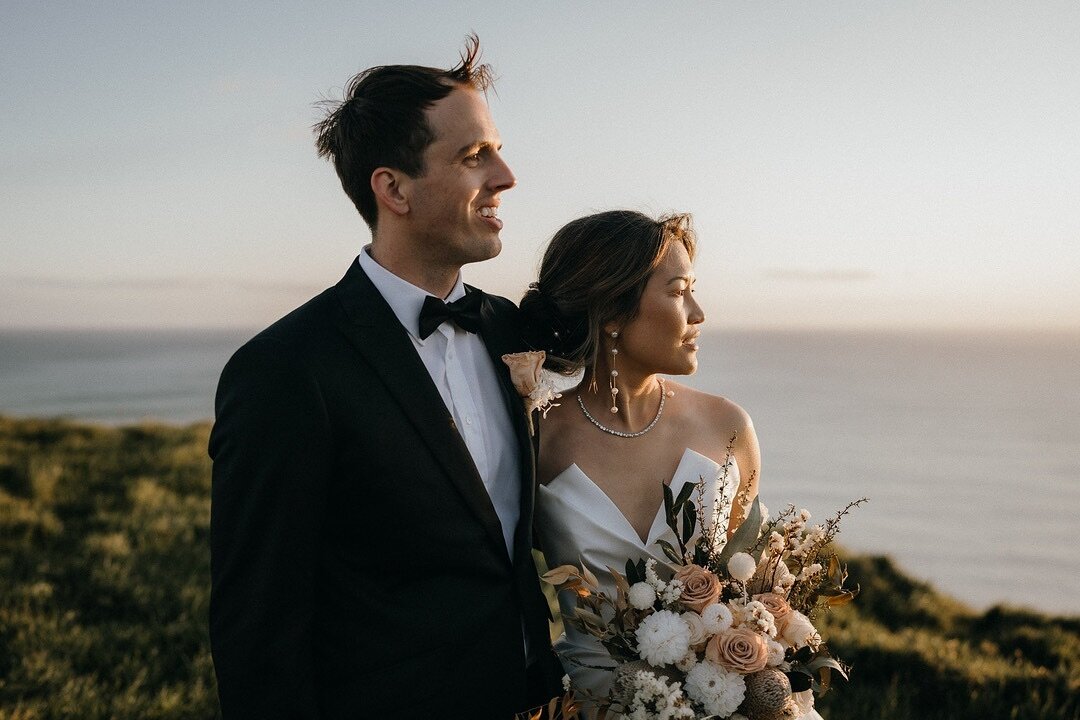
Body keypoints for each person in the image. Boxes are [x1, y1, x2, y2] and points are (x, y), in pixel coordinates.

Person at [208, 36, 563, 718]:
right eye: (473, 157)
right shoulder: (285, 370)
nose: (507, 176)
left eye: (497, 149)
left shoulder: (509, 331)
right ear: (392, 188)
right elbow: (258, 630)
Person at [523, 210, 823, 719]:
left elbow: (753, 592)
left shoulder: (726, 426)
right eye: (679, 291)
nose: (699, 312)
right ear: (612, 312)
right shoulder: (536, 439)